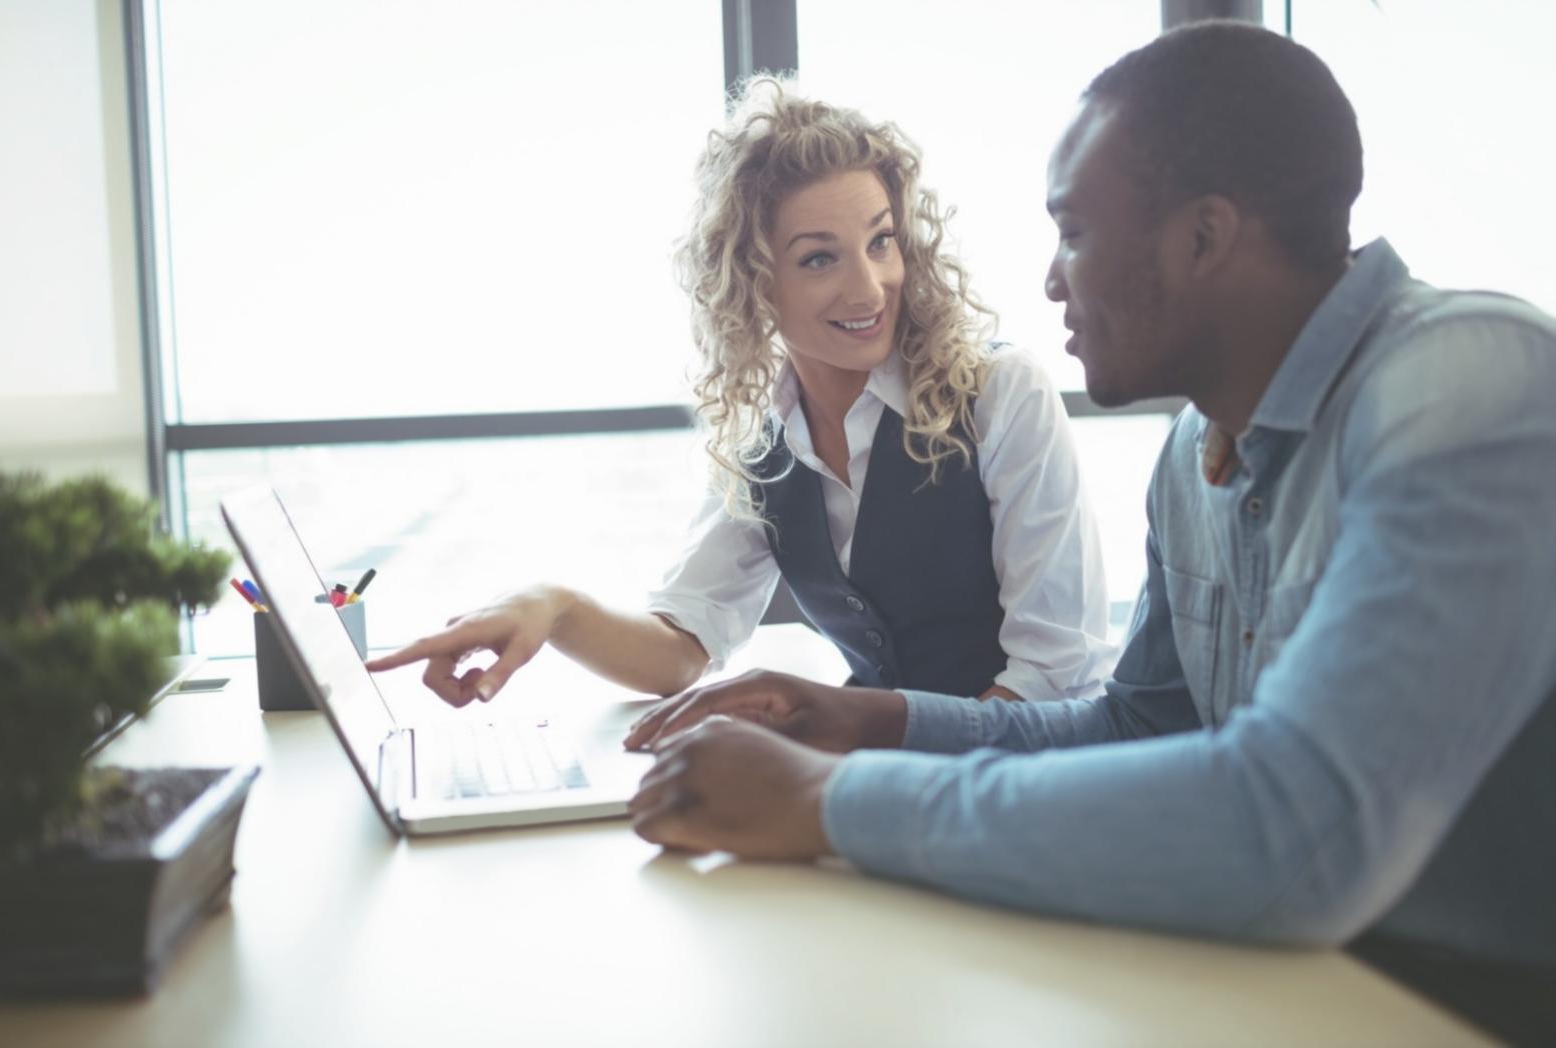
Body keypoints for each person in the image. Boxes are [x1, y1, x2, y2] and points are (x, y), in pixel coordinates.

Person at [624, 20, 1556, 997]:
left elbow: (1292, 827)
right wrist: (858, 719)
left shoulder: (1463, 386)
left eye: (1072, 232)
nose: (1050, 278)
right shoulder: (1193, 454)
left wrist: (830, 798)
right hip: (1295, 983)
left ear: (1201, 239)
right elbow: (1133, 726)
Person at [367, 80, 1116, 708]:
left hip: (1022, 784)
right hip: (896, 777)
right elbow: (679, 649)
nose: (869, 287)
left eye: (880, 241)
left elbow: (1056, 674)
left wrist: (870, 766)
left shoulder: (1000, 393)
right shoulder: (767, 445)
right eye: (818, 258)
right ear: (753, 282)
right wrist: (554, 606)